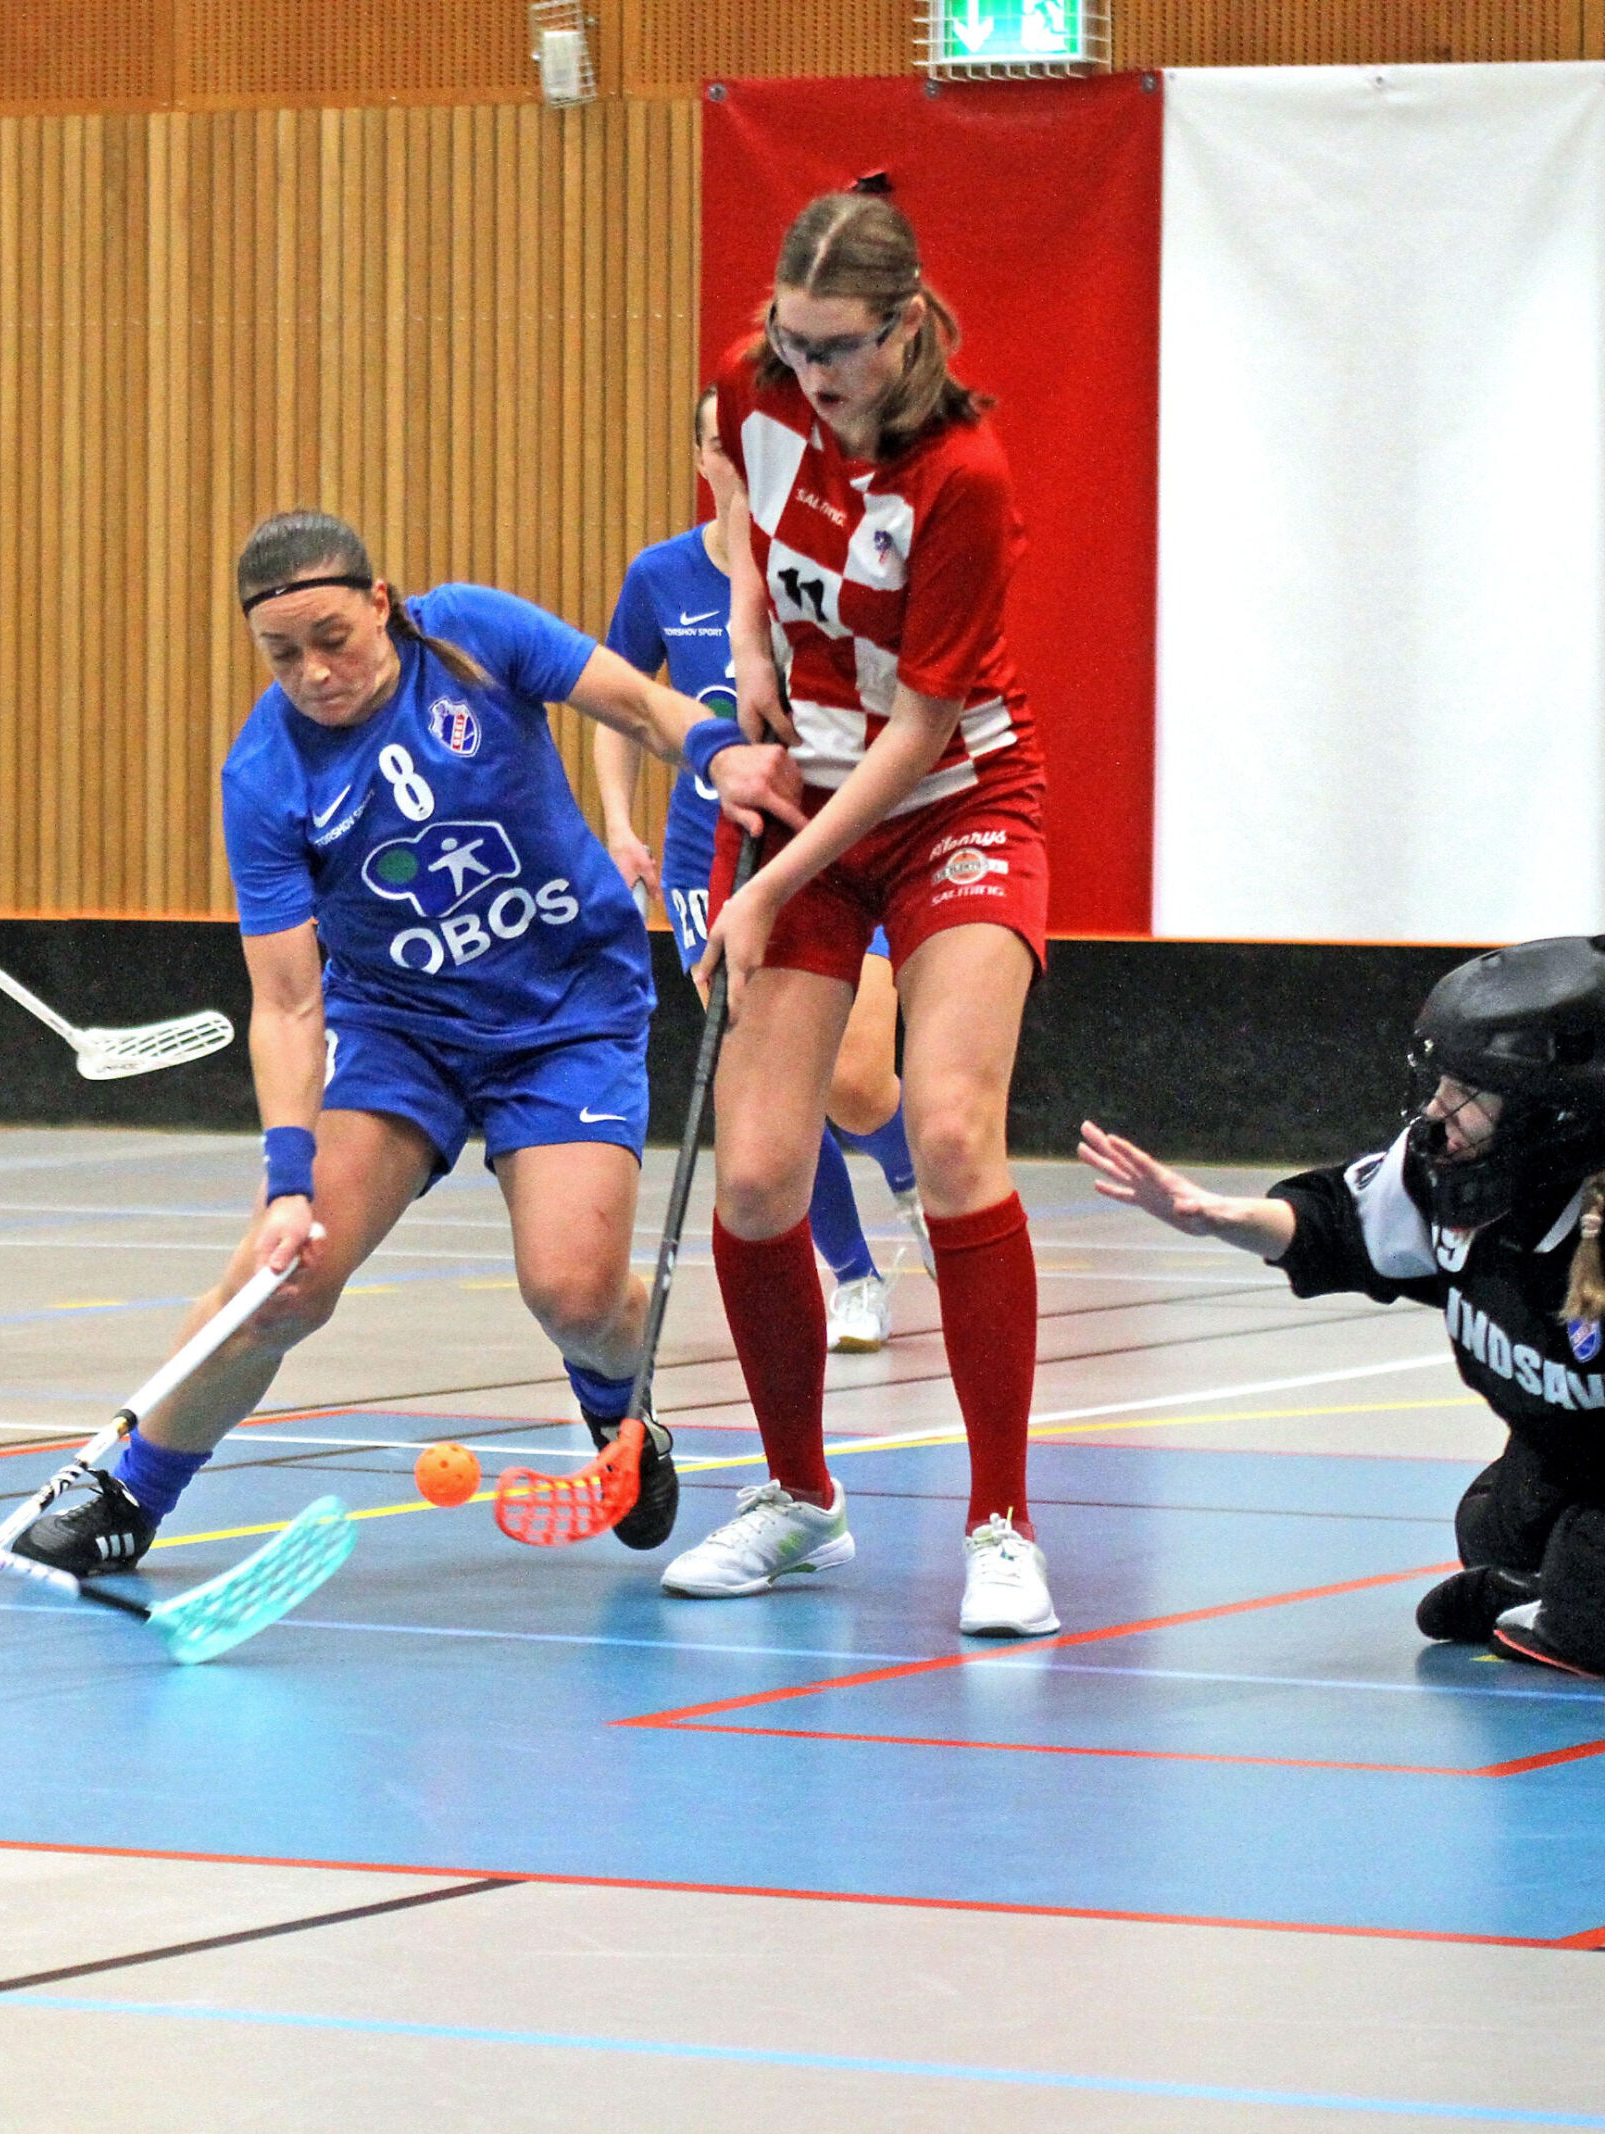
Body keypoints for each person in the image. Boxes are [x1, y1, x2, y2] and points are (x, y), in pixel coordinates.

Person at [14, 510, 802, 1576]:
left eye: (333, 638)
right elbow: (287, 1005)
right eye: (282, 654)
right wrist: (286, 1181)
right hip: (397, 1032)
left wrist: (717, 754)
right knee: (276, 1286)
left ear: (380, 602)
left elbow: (636, 702)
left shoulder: (469, 634)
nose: (314, 673)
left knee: (576, 1297)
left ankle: (620, 1408)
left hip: (565, 1011)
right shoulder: (265, 776)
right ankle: (129, 1490)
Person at [666, 190, 1058, 1637]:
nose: (810, 371)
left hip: (950, 801)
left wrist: (764, 882)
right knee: (759, 1176)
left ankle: (1002, 1523)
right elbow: (740, 528)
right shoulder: (753, 380)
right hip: (801, 799)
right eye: (791, 339)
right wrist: (751, 657)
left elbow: (917, 734)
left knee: (947, 1131)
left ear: (902, 329)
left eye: (836, 347)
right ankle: (796, 1499)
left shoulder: (965, 474)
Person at [1080, 936, 1605, 1673]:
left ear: (1553, 1112)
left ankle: (1559, 1597)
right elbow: (1338, 1223)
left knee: (1587, 1595)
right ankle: (1544, 1586)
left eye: (1467, 1093)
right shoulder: (1452, 1180)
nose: (1437, 1109)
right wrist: (1217, 1216)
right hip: (1574, 1454)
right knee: (1494, 1525)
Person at [594, 386, 923, 1358]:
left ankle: (918, 1190)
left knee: (854, 1081)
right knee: (769, 1090)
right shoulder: (659, 575)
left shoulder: (825, 564)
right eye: (718, 446)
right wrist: (618, 826)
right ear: (702, 459)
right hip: (713, 865)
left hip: (833, 848)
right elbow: (620, 703)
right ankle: (853, 1276)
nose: (735, 461)